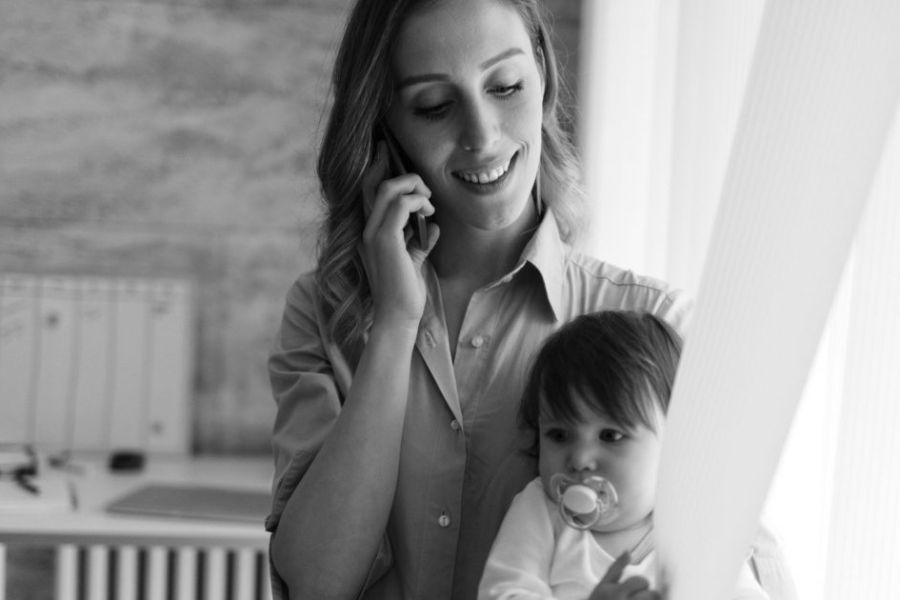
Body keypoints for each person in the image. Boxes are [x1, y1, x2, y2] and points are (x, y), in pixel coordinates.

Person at [266, 1, 791, 599]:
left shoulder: (659, 329)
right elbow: (316, 584)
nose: (483, 137)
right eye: (435, 106)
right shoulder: (325, 315)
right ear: (386, 126)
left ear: (542, 76)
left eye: (507, 85)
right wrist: (394, 324)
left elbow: (745, 569)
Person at [477, 311, 768, 600]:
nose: (579, 459)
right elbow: (502, 593)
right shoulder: (541, 511)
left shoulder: (693, 525)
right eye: (559, 435)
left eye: (610, 436)